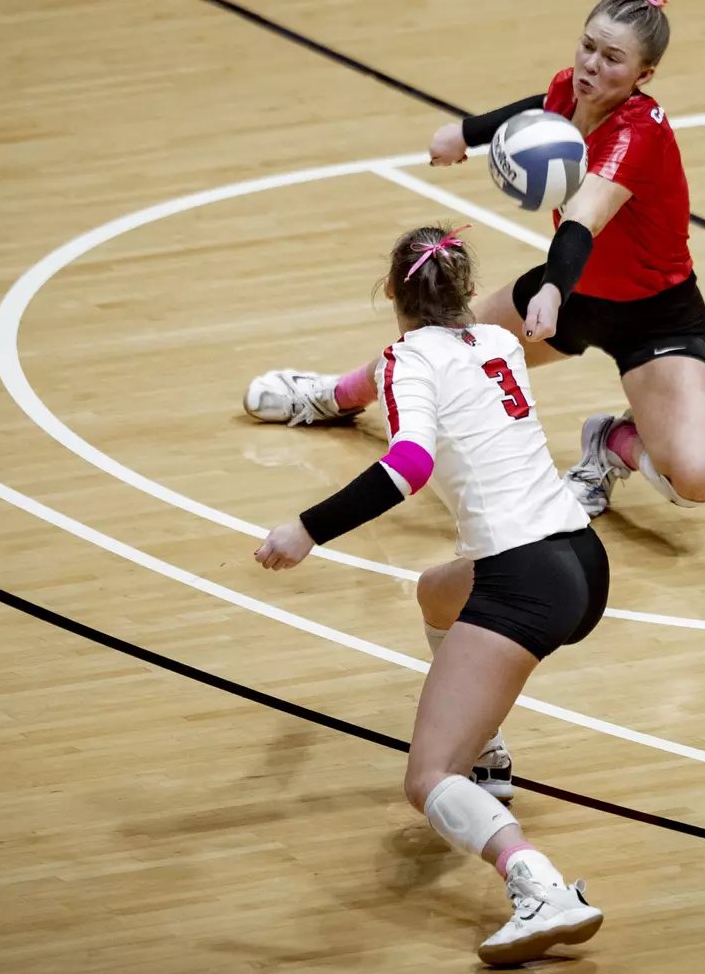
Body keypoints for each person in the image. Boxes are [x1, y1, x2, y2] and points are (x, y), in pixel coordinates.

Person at [246, 0, 705, 520]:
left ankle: (609, 445)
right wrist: (467, 134)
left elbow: (583, 219)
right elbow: (542, 106)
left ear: (645, 74)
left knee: (695, 479)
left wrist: (551, 287)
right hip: (573, 294)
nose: (592, 65)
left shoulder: (638, 133)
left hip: (653, 315)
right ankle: (334, 397)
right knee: (432, 350)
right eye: (588, 46)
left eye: (612, 58)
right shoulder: (572, 87)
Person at [254, 225, 609, 965]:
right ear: (462, 291)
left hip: (522, 578)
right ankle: (489, 757)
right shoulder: (498, 343)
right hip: (582, 558)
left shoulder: (404, 361)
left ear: (392, 294)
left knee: (425, 779)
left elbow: (409, 464)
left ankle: (536, 885)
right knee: (435, 592)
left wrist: (307, 530)